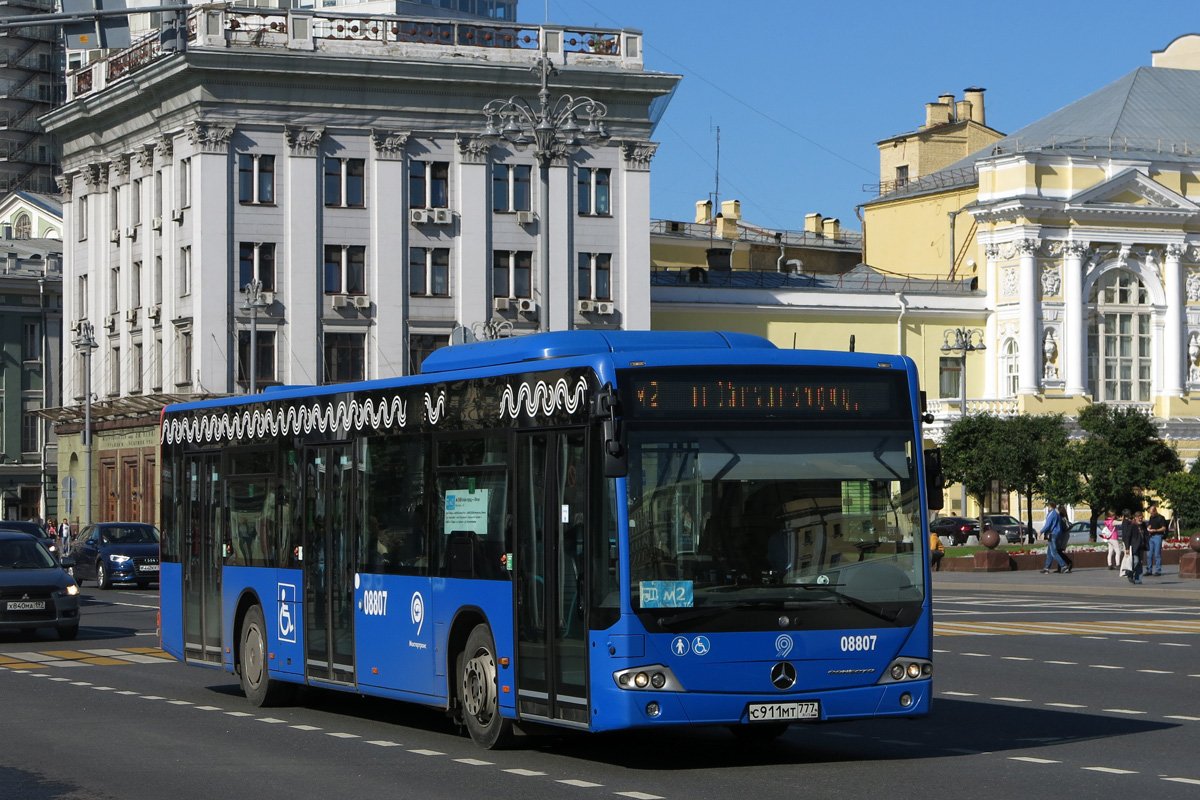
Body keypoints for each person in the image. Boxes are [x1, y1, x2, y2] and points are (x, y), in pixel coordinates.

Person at [1040, 501, 1069, 574]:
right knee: (1050, 552)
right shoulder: (1056, 514)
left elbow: (1048, 524)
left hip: (1053, 533)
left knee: (1053, 552)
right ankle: (1046, 568)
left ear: (1049, 506)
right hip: (1057, 533)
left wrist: (1041, 531)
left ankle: (1063, 566)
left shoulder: (1051, 514)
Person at [1122, 508, 1147, 584]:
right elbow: (1128, 537)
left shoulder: (1143, 525)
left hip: (1141, 546)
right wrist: (1127, 548)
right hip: (1134, 546)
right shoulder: (1132, 525)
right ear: (1135, 518)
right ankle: (1130, 574)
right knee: (1135, 561)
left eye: (1141, 517)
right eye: (1139, 517)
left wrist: (1147, 542)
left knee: (1140, 562)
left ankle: (1138, 579)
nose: (1140, 518)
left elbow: (1145, 534)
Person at [1145, 504, 1167, 576]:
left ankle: (1158, 570)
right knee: (1149, 554)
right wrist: (1149, 527)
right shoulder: (1151, 517)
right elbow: (1151, 525)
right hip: (1151, 536)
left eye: (1152, 513)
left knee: (1157, 554)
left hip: (1158, 536)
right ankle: (1149, 570)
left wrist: (1156, 530)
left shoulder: (1160, 518)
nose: (1151, 514)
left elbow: (1164, 528)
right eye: (1150, 513)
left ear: (1155, 511)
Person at [1055, 504, 1074, 573]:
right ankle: (1060, 567)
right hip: (1065, 534)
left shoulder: (1061, 518)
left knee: (1059, 551)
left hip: (1062, 535)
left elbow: (1061, 528)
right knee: (1059, 551)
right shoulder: (1065, 517)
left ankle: (1068, 562)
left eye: (1058, 511)